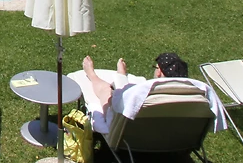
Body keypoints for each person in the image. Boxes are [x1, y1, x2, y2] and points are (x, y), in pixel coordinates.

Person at [79, 52, 225, 135]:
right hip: (176, 139)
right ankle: (120, 75)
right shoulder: (197, 96)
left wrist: (112, 90)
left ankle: (91, 73)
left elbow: (115, 103)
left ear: (159, 71)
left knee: (107, 92)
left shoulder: (147, 94)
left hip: (134, 136)